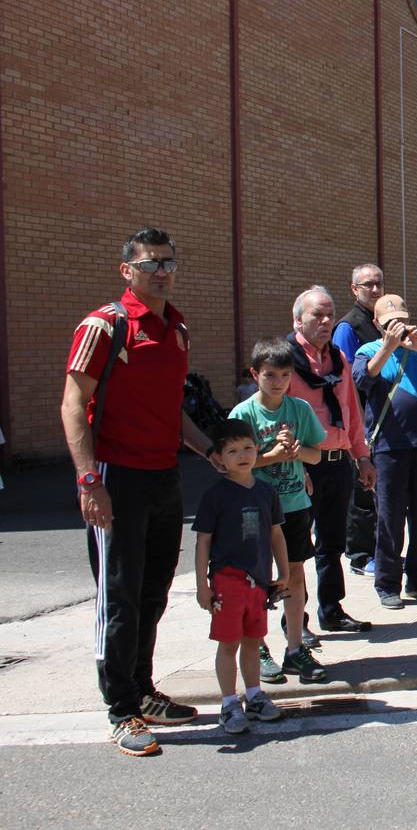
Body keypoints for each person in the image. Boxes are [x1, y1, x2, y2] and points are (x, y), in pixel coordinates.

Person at [61, 226, 213, 756]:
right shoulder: (104, 326)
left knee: (153, 592)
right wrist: (89, 481)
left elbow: (172, 412)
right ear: (127, 270)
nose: (163, 272)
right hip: (115, 477)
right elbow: (72, 405)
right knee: (118, 597)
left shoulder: (177, 329)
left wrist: (208, 451)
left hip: (162, 476)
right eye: (151, 264)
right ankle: (121, 708)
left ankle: (144, 690)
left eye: (170, 262)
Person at [229, 339, 328, 684]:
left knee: (295, 574)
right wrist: (272, 455)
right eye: (270, 375)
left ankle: (295, 648)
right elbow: (231, 465)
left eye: (285, 375)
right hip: (253, 509)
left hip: (294, 505)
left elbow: (317, 455)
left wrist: (298, 452)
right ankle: (257, 646)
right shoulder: (243, 414)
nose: (278, 382)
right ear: (255, 374)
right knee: (255, 579)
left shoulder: (300, 410)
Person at [353, 293, 417, 609]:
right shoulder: (369, 351)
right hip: (388, 445)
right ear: (377, 324)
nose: (397, 327)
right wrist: (387, 347)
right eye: (389, 323)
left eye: (401, 320)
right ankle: (387, 583)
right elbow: (360, 378)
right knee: (390, 517)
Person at [287, 287, 376, 636]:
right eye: (317, 315)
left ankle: (331, 609)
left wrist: (363, 458)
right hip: (301, 465)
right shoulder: (286, 359)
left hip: (338, 463)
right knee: (296, 550)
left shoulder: (338, 358)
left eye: (329, 314)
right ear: (298, 320)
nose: (326, 321)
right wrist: (294, 463)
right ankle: (296, 621)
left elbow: (352, 413)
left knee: (332, 542)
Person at [192, 419, 288, 734]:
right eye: (232, 450)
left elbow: (276, 535)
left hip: (259, 582)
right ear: (219, 458)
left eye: (247, 447)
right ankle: (229, 702)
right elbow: (203, 541)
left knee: (252, 642)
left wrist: (284, 571)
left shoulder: (266, 492)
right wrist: (202, 586)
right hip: (226, 581)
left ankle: (255, 695)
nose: (242, 455)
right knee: (228, 643)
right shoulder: (214, 496)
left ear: (257, 448)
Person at [334, 263, 385, 576]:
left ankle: (381, 551)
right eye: (368, 285)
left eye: (379, 283)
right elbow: (346, 380)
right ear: (354, 289)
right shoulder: (349, 327)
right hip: (361, 423)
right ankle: (359, 556)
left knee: (379, 490)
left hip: (382, 420)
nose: (375, 290)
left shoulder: (381, 322)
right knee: (362, 492)